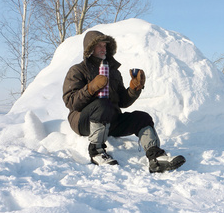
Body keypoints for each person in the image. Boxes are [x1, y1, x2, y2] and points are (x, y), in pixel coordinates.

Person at [63, 30, 185, 173]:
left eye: (105, 45)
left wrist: (134, 88)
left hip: (110, 119)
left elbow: (122, 102)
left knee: (142, 117)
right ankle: (96, 152)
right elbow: (71, 102)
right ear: (90, 48)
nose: (103, 49)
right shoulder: (78, 70)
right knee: (102, 104)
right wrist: (90, 88)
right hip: (83, 121)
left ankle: (156, 157)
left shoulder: (113, 71)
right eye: (99, 46)